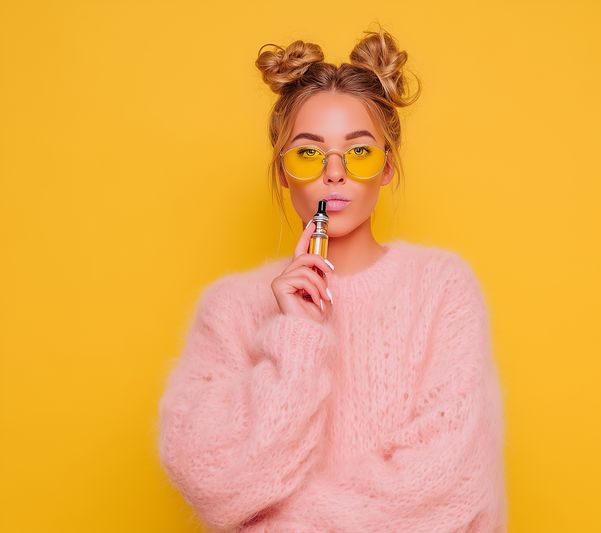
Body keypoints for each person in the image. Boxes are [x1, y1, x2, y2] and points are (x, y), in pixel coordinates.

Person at [157, 25, 508, 532]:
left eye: (359, 152)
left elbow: (445, 487)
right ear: (283, 170)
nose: (335, 172)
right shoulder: (230, 308)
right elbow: (208, 476)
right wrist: (296, 336)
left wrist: (271, 518)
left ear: (387, 167)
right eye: (309, 152)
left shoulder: (440, 289)